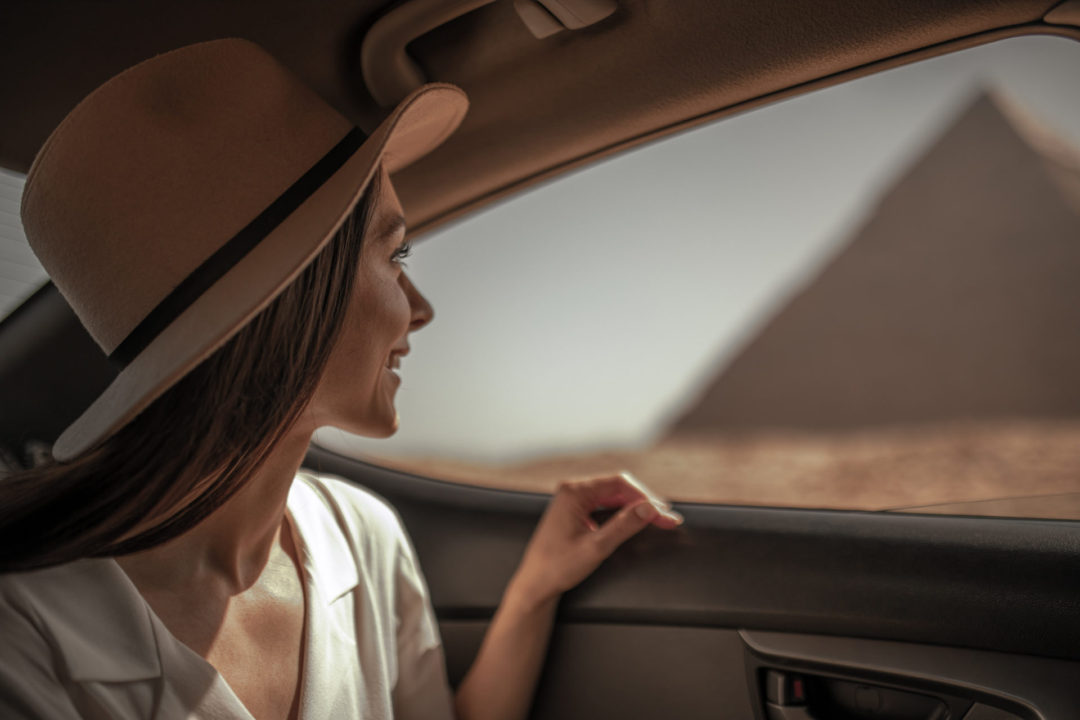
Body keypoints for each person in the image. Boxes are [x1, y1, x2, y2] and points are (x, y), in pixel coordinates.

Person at [0, 38, 683, 719]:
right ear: (291, 301)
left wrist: (534, 589)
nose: (422, 309)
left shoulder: (361, 537)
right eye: (396, 256)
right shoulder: (25, 629)